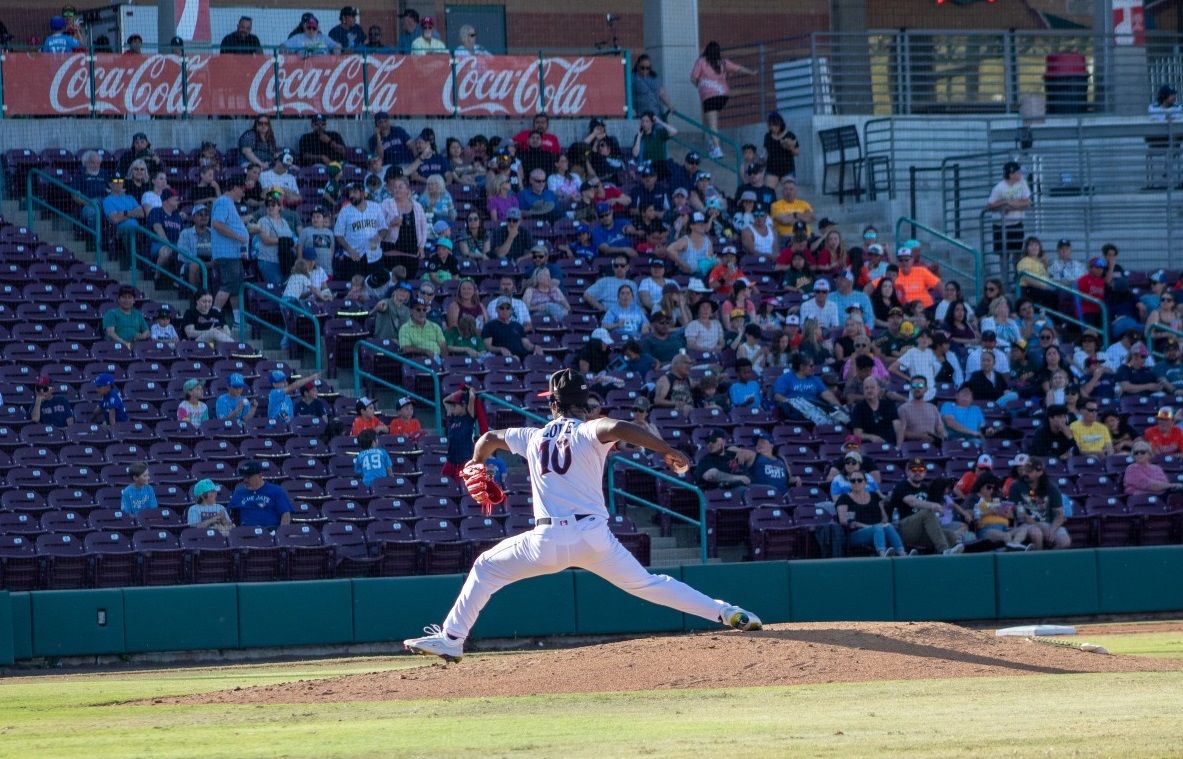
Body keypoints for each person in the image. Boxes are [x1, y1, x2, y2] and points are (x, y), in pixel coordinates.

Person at [404, 369, 761, 661]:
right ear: (584, 405)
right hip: (594, 539)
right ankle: (727, 612)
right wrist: (666, 449)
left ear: (554, 404)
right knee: (650, 585)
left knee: (486, 567)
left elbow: (488, 437)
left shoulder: (533, 436)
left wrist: (476, 464)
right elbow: (619, 428)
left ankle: (452, 638)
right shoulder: (589, 429)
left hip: (546, 541)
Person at [689, 41, 754, 159]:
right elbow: (738, 68)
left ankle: (717, 149)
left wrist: (701, 87)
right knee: (711, 121)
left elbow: (693, 78)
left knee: (713, 125)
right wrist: (751, 72)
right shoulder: (723, 62)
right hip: (723, 96)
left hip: (709, 96)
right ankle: (711, 142)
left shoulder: (702, 61)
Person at [888, 459, 965, 555]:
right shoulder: (902, 486)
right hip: (904, 528)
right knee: (927, 512)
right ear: (908, 472)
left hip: (921, 531)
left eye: (920, 470)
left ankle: (945, 561)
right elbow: (912, 502)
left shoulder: (925, 488)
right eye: (914, 470)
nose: (917, 473)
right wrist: (932, 505)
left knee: (950, 535)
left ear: (925, 472)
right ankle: (944, 550)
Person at [1006, 456, 1070, 550]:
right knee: (1037, 533)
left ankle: (1048, 560)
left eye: (1029, 471)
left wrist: (1052, 530)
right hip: (1026, 524)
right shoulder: (1016, 486)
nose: (1025, 473)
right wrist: (1039, 526)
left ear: (1039, 472)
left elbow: (1059, 515)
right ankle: (1038, 560)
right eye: (1024, 470)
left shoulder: (1051, 488)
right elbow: (1021, 514)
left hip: (1049, 524)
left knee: (1064, 541)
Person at [837, 471, 905, 557]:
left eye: (859, 480)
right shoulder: (844, 498)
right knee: (877, 528)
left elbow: (884, 518)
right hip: (856, 534)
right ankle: (882, 554)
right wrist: (862, 525)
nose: (856, 482)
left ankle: (902, 554)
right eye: (853, 480)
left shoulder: (874, 496)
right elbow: (843, 521)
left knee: (888, 526)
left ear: (865, 482)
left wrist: (882, 524)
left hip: (877, 528)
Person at [984, 161, 1031, 284]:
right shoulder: (999, 187)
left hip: (1016, 224)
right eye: (1018, 172)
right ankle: (1005, 283)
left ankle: (1017, 280)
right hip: (1001, 226)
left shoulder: (1022, 183)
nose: (1020, 174)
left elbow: (1027, 202)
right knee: (1003, 255)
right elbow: (989, 205)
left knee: (1017, 254)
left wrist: (1011, 204)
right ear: (1011, 174)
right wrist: (1004, 202)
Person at [210, 175, 250, 313]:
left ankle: (238, 321)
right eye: (242, 189)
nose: (244, 192)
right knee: (227, 286)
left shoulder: (229, 203)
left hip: (233, 253)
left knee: (235, 288)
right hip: (226, 254)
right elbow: (217, 224)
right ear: (234, 188)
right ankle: (214, 315)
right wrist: (238, 236)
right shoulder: (223, 201)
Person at [229, 460, 293, 528]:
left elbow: (285, 514)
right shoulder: (239, 492)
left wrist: (281, 533)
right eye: (244, 477)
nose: (245, 480)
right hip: (247, 533)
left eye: (248, 477)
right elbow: (230, 515)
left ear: (260, 475)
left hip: (271, 531)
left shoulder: (276, 490)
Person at [103, 284, 149, 348]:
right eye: (124, 297)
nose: (127, 300)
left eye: (129, 297)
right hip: (117, 347)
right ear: (118, 299)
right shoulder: (111, 313)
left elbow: (146, 331)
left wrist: (142, 336)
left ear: (133, 301)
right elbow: (110, 334)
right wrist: (125, 344)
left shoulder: (138, 314)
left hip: (136, 346)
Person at [631, 54, 673, 118]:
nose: (645, 70)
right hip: (641, 116)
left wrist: (670, 106)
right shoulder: (632, 78)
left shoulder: (654, 78)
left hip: (656, 115)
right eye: (642, 68)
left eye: (648, 68)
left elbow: (662, 94)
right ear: (637, 66)